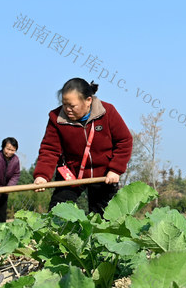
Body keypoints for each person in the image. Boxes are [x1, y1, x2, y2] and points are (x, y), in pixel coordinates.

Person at [33, 78, 133, 214]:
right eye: (64, 104)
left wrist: (115, 169)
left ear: (88, 101)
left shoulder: (107, 112)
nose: (67, 109)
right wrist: (42, 175)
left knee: (104, 218)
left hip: (103, 175)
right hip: (71, 173)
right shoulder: (56, 118)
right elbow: (50, 149)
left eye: (72, 106)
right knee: (57, 213)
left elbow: (124, 140)